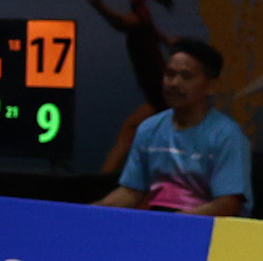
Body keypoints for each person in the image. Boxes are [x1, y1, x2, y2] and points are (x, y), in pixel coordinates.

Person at [95, 38, 252, 218]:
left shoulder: (228, 135)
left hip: (207, 229)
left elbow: (227, 205)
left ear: (211, 86)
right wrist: (88, 212)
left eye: (186, 77)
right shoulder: (149, 128)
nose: (174, 83)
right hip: (161, 223)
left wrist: (174, 224)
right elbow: (130, 192)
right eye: (170, 74)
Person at [86, 0, 176, 173]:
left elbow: (120, 22)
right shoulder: (143, 15)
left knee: (132, 131)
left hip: (161, 93)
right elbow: (151, 31)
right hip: (158, 93)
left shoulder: (138, 16)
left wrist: (99, 6)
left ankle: (101, 182)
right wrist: (166, 40)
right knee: (133, 131)